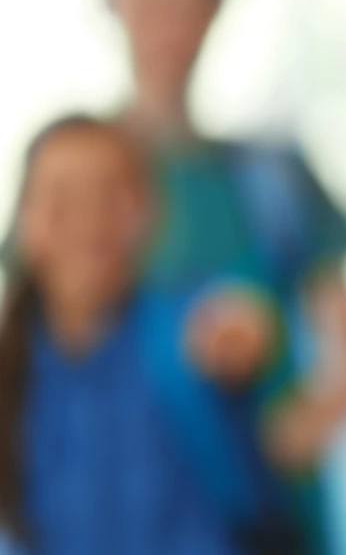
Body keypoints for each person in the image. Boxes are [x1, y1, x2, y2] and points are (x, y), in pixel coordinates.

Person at [102, 0, 346, 551]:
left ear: (215, 8)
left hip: (265, 522)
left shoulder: (272, 179)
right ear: (111, 0)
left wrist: (294, 429)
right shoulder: (72, 183)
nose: (170, 16)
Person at [0, 116, 283, 554]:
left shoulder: (179, 329)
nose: (87, 218)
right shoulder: (14, 360)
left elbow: (235, 319)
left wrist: (240, 330)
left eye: (108, 194)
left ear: (151, 209)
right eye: (61, 197)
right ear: (23, 219)